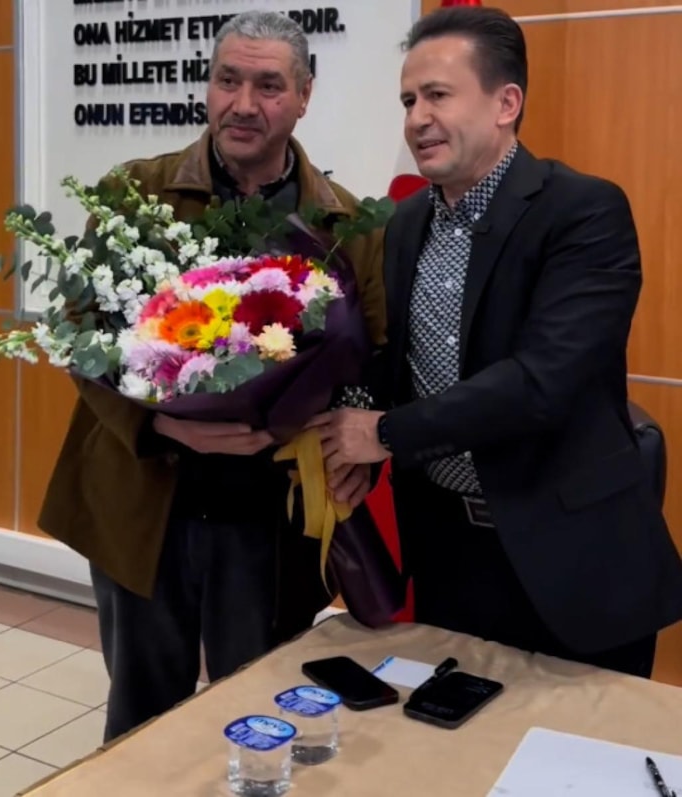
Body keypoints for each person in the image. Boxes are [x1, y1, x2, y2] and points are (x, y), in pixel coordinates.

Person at [38, 11, 385, 742]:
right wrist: (159, 421)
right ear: (208, 86)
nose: (243, 104)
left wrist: (357, 456)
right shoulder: (137, 192)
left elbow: (372, 360)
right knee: (141, 718)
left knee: (258, 713)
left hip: (269, 516)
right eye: (228, 80)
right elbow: (80, 332)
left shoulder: (347, 225)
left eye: (269, 86)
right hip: (146, 502)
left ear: (304, 96)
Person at [309, 5, 682, 677]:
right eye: (408, 100)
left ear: (506, 103)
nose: (417, 118)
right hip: (449, 550)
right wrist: (348, 428)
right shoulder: (404, 223)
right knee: (454, 732)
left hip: (571, 557)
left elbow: (541, 382)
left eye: (438, 95)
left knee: (580, 743)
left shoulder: (584, 212)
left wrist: (385, 433)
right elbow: (395, 359)